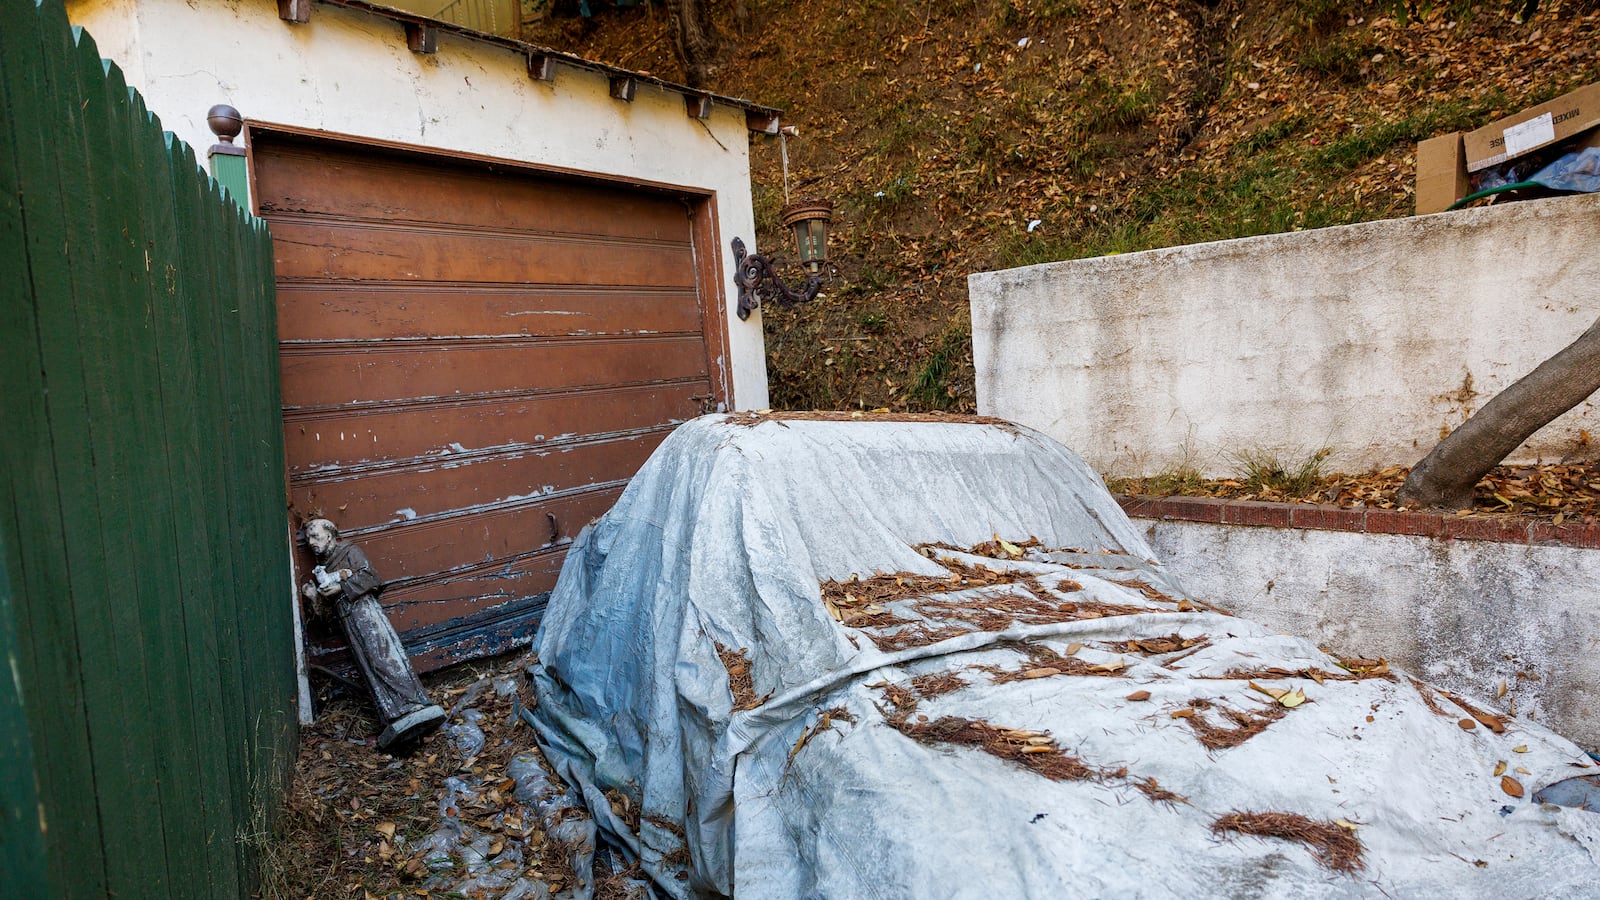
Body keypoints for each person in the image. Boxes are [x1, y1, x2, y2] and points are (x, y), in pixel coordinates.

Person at [302, 518, 445, 750]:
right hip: (349, 623)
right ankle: (393, 715)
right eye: (308, 539)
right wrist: (315, 599)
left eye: (316, 536)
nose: (312, 542)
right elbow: (328, 619)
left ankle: (413, 704)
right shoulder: (323, 568)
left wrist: (341, 587)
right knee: (369, 666)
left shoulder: (350, 552)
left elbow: (371, 577)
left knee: (384, 657)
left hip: (365, 613)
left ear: (329, 535)